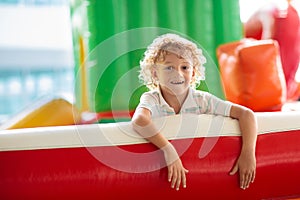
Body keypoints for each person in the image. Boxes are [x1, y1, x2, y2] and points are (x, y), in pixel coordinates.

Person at [131, 33, 257, 191]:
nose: (178, 73)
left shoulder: (202, 100)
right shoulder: (152, 98)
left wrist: (248, 153)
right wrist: (168, 149)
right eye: (169, 67)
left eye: (184, 67)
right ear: (155, 73)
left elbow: (246, 114)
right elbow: (139, 120)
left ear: (193, 72)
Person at [244, 0, 300, 101]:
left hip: (271, 88)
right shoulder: (291, 13)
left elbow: (266, 43)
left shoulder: (269, 11)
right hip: (285, 89)